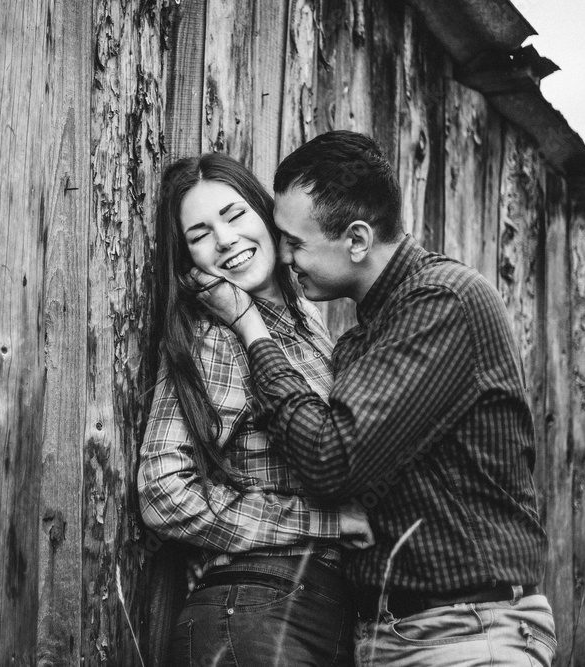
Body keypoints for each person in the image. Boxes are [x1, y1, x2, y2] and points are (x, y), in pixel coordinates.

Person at [190, 131, 556, 666]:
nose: (285, 256)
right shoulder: (361, 339)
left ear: (357, 240)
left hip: (467, 634)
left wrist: (251, 329)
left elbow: (330, 457)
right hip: (387, 639)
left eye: (295, 242)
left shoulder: (442, 303)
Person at [138, 152, 374, 667]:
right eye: (199, 235)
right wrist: (325, 521)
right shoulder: (216, 338)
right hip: (253, 609)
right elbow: (164, 494)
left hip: (325, 617)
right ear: (189, 260)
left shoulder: (308, 321)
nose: (224, 240)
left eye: (234, 215)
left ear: (267, 215)